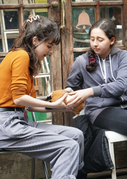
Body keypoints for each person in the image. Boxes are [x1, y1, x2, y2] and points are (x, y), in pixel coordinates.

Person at [0, 15, 84, 179]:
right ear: (35, 40)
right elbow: (18, 99)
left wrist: (59, 107)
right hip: (7, 125)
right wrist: (52, 106)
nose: (51, 51)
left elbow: (28, 105)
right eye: (49, 45)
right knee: (68, 146)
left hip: (19, 121)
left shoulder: (24, 58)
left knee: (76, 136)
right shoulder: (20, 56)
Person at [66, 18, 127, 178]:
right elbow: (71, 86)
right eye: (92, 39)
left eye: (100, 39)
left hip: (123, 108)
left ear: (111, 40)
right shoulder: (82, 61)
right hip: (100, 111)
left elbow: (121, 85)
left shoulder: (123, 57)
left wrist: (89, 91)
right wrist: (71, 95)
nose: (95, 43)